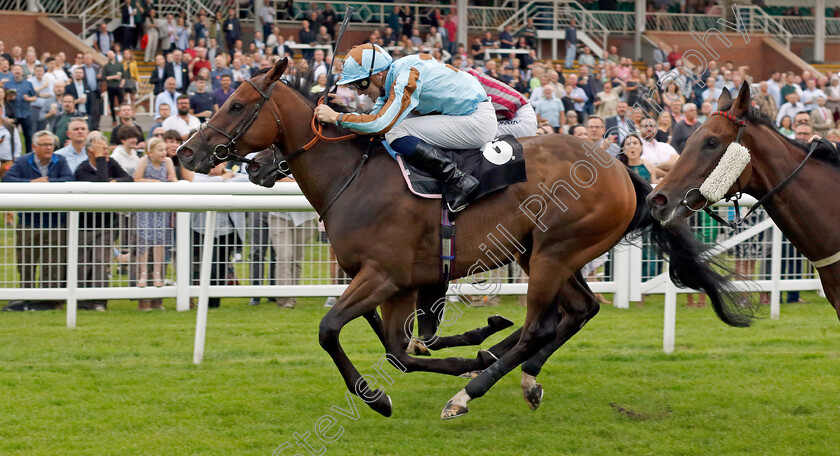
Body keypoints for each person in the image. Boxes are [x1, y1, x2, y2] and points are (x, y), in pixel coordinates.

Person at [314, 44, 496, 212]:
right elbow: (373, 120)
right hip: (463, 117)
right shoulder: (391, 80)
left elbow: (381, 124)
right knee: (392, 130)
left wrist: (336, 117)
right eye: (354, 86)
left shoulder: (406, 76)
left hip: (476, 121)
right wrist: (345, 112)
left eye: (361, 83)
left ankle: (457, 179)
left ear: (378, 75)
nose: (359, 91)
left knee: (395, 131)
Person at [2, 130, 74, 310]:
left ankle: (50, 300)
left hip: (56, 222)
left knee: (53, 264)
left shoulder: (60, 161)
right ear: (34, 147)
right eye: (44, 145)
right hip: (28, 222)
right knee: (25, 262)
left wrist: (47, 185)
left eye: (51, 144)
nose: (49, 148)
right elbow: (7, 179)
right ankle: (26, 297)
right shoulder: (22, 161)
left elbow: (68, 179)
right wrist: (31, 184)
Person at [74, 131, 132, 311]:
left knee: (101, 262)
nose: (105, 152)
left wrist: (115, 181)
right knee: (83, 263)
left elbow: (128, 179)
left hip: (106, 225)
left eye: (106, 149)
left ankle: (100, 301)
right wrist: (100, 161)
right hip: (85, 226)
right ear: (90, 150)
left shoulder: (110, 163)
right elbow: (100, 187)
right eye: (101, 149)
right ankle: (83, 301)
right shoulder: (82, 169)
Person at [191, 162, 247, 308]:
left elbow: (246, 179)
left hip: (226, 230)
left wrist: (227, 178)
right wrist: (223, 179)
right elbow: (198, 184)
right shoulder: (199, 176)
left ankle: (213, 303)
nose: (215, 166)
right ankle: (200, 300)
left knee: (220, 267)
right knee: (203, 267)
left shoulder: (233, 174)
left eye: (218, 163)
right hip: (201, 229)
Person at [134, 138, 177, 291]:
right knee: (144, 240)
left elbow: (174, 179)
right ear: (150, 152)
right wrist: (152, 182)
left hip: (162, 207)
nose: (164, 153)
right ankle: (143, 273)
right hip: (145, 207)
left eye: (164, 150)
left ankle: (157, 273)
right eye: (160, 150)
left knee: (160, 240)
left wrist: (172, 181)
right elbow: (137, 179)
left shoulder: (168, 162)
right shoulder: (144, 161)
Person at [5, 64, 36, 153]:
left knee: (28, 136)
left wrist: (28, 98)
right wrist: (10, 98)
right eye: (15, 70)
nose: (17, 71)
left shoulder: (28, 83)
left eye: (19, 70)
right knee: (11, 135)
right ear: (12, 72)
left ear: (22, 72)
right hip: (13, 114)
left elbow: (34, 97)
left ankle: (29, 154)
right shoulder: (8, 84)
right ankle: (11, 154)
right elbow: (4, 98)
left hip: (26, 113)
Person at [101, 50, 124, 126]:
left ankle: (122, 119)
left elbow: (123, 76)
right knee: (112, 104)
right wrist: (114, 77)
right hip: (110, 87)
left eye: (111, 54)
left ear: (114, 55)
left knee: (121, 103)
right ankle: (114, 119)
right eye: (108, 55)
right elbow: (104, 78)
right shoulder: (106, 66)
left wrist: (121, 84)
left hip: (119, 87)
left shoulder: (120, 65)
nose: (110, 56)